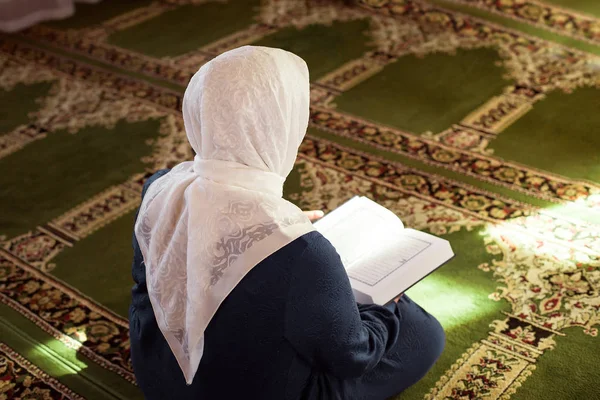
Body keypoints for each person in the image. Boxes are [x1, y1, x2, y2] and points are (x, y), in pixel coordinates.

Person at [129, 45, 445, 400]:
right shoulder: (302, 253)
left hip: (159, 377)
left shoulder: (160, 188)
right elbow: (352, 355)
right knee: (422, 330)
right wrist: (387, 306)